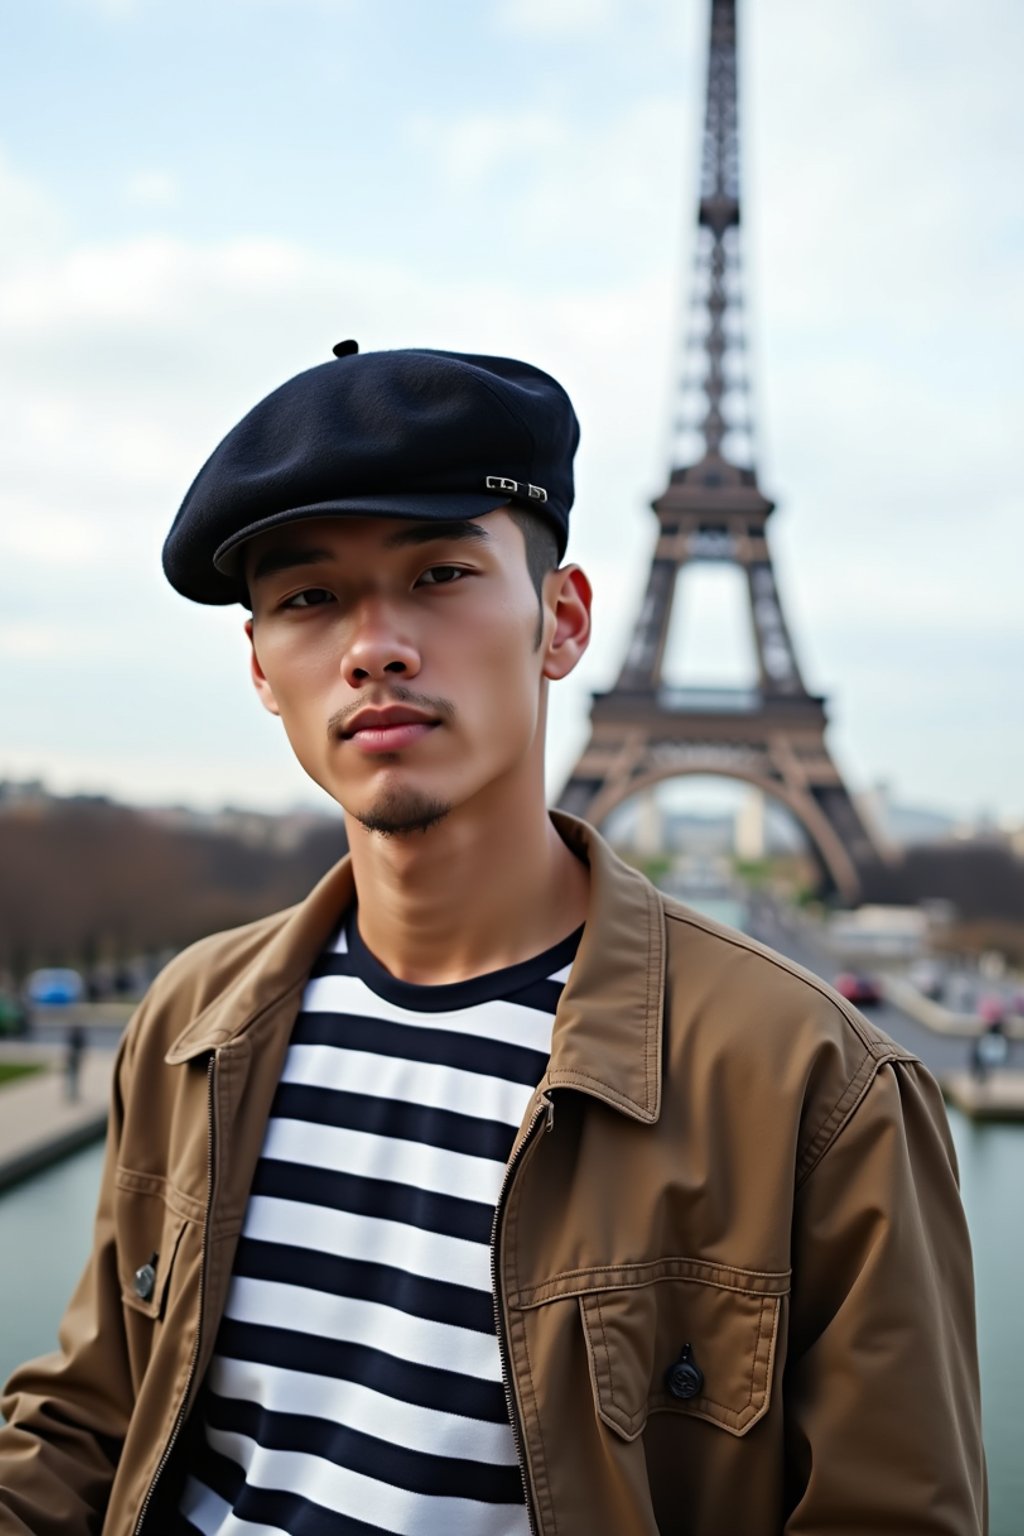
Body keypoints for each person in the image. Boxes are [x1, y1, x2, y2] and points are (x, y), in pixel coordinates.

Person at [0, 344, 986, 1534]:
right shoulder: (186, 1015)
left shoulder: (821, 1091)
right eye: (309, 597)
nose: (376, 646)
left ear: (562, 622)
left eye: (440, 573)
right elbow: (89, 1421)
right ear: (262, 667)